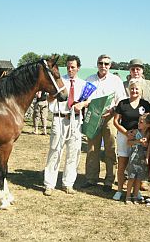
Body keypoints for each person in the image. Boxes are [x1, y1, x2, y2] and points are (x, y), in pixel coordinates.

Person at [43, 55, 87, 196]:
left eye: (73, 67)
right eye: (68, 67)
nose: (70, 69)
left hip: (76, 121)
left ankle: (68, 183)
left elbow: (89, 100)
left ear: (78, 68)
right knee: (55, 151)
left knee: (73, 154)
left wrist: (83, 104)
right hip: (59, 118)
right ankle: (49, 184)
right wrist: (52, 95)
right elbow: (49, 98)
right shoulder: (58, 81)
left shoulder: (83, 84)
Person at [83, 54, 127, 192]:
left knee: (110, 149)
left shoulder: (116, 80)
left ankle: (109, 180)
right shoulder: (89, 80)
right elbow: (83, 97)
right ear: (97, 64)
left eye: (106, 64)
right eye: (101, 63)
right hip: (93, 119)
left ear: (110, 65)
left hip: (109, 118)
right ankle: (91, 178)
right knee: (92, 150)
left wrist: (113, 110)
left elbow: (121, 100)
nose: (103, 66)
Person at [112, 79, 150, 200]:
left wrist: (146, 136)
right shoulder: (122, 103)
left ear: (141, 91)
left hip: (140, 137)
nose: (134, 91)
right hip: (124, 135)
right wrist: (126, 133)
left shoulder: (145, 104)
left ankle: (136, 191)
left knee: (137, 165)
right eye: (132, 88)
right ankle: (119, 190)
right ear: (128, 89)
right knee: (122, 162)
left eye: (137, 89)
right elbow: (115, 121)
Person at [124, 59, 150, 192]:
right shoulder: (124, 84)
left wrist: (149, 120)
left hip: (146, 125)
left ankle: (143, 180)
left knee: (144, 152)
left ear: (142, 70)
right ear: (130, 71)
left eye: (138, 68)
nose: (135, 71)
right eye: (133, 69)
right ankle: (128, 178)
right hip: (129, 124)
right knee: (129, 153)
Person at [125, 112, 150, 204]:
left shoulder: (149, 134)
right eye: (139, 122)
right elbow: (128, 143)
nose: (138, 124)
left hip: (142, 157)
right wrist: (138, 141)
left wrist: (145, 144)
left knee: (138, 179)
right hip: (134, 157)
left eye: (141, 122)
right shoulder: (135, 132)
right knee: (131, 177)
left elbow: (149, 145)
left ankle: (135, 195)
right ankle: (128, 196)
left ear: (148, 124)